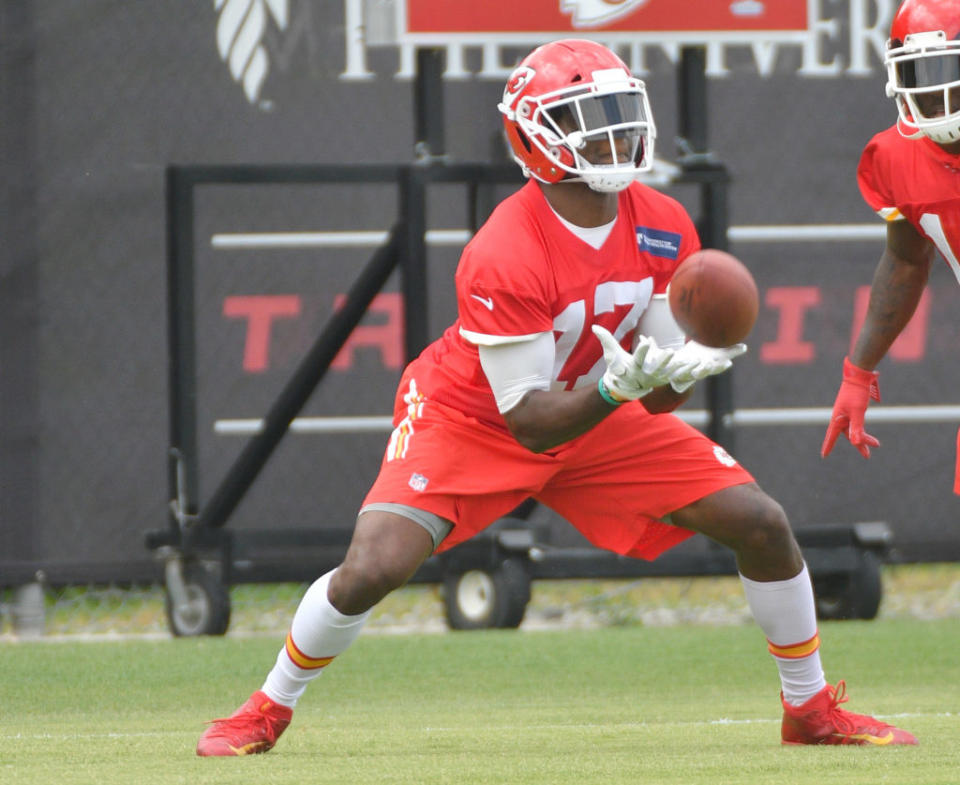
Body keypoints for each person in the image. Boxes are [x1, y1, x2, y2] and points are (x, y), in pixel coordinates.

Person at [197, 38, 915, 756]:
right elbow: (531, 425)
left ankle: (810, 708)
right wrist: (615, 386)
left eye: (618, 111)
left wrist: (688, 365)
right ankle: (266, 706)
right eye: (587, 117)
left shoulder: (663, 223)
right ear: (536, 138)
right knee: (375, 566)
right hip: (477, 415)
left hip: (596, 408)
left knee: (760, 521)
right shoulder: (505, 249)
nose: (614, 132)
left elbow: (656, 402)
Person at [822, 0, 960, 481]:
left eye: (953, 70)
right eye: (923, 72)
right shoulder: (894, 157)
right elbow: (906, 260)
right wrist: (858, 373)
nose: (939, 89)